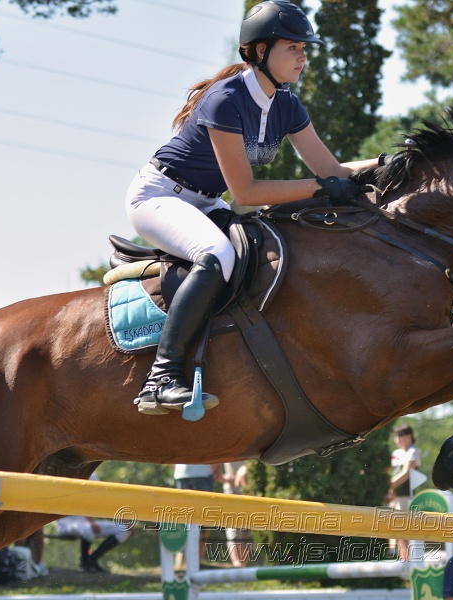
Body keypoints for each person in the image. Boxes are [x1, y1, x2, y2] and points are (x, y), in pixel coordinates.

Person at [125, 0, 381, 416]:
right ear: (261, 51)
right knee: (216, 255)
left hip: (205, 202)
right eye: (293, 48)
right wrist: (323, 188)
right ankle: (161, 377)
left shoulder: (287, 104)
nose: (302, 57)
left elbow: (332, 170)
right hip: (159, 196)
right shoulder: (225, 99)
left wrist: (388, 164)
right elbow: (244, 192)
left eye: (304, 49)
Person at [55, 475, 136, 573]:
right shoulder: (68, 475)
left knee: (123, 530)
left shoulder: (92, 476)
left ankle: (92, 559)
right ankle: (85, 563)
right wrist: (91, 523)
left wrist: (127, 523)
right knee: (88, 530)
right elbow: (80, 504)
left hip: (86, 523)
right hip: (67, 523)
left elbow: (107, 500)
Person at [385, 424, 421, 560]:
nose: (397, 439)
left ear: (409, 436)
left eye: (400, 435)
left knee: (403, 529)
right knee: (392, 527)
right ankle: (398, 559)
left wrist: (388, 485)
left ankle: (407, 561)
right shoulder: (396, 453)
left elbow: (406, 474)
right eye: (396, 436)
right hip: (393, 496)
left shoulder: (413, 451)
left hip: (406, 496)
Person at [174, 463, 222, 563]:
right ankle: (196, 561)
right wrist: (217, 469)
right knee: (204, 519)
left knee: (184, 519)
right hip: (202, 473)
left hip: (181, 474)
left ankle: (183, 561)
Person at [222, 461, 251, 567]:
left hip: (248, 489)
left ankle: (242, 565)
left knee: (246, 530)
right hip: (231, 490)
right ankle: (237, 565)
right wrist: (223, 477)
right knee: (233, 530)